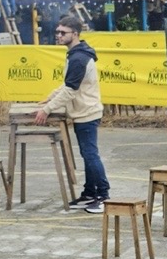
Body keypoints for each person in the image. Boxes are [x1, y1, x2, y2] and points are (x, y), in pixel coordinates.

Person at [34, 15, 110, 211]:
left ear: (75, 34)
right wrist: (50, 98)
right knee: (87, 155)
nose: (58, 35)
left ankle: (103, 196)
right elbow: (68, 84)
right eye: (57, 32)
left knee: (90, 155)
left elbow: (70, 90)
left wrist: (46, 110)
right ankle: (89, 194)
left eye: (63, 32)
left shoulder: (78, 58)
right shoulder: (76, 54)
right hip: (84, 112)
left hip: (87, 113)